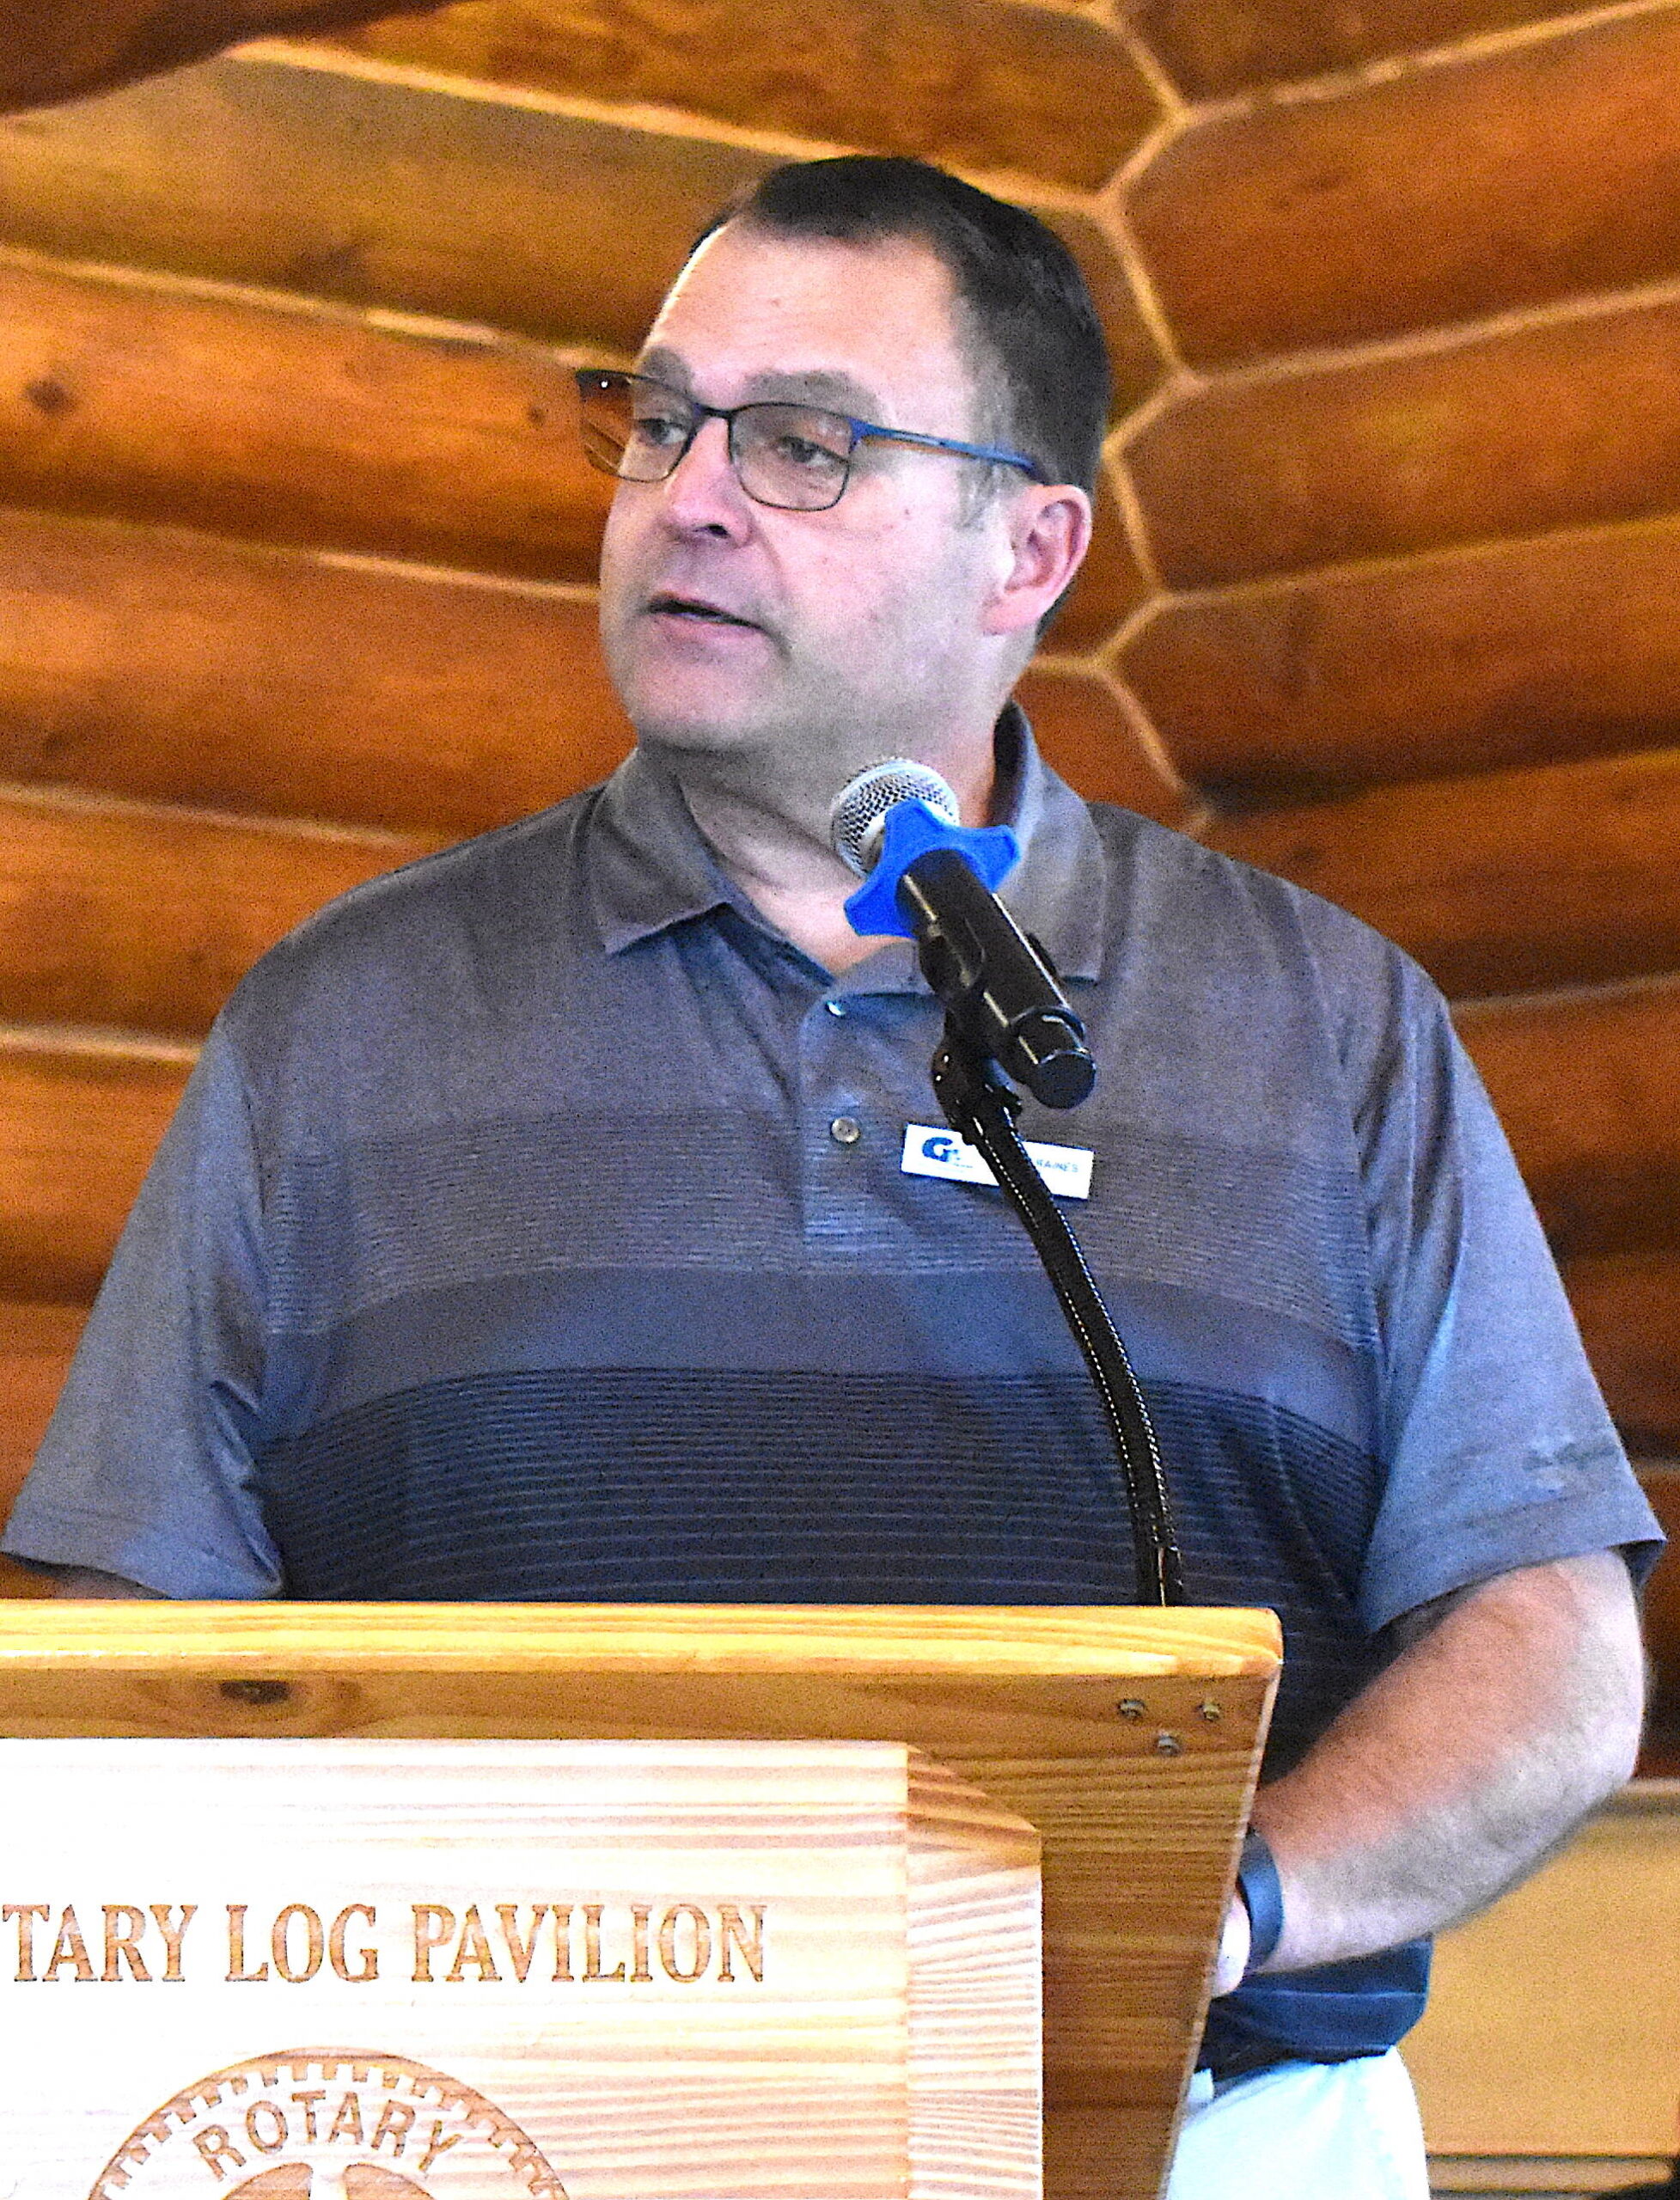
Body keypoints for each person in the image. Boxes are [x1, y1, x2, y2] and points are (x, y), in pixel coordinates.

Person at [1, 156, 1659, 2196]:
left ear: (1028, 547)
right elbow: (124, 1637)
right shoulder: (338, 1024)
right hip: (513, 2137)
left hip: (1202, 2131)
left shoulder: (1326, 1023)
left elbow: (1548, 1643)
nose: (689, 495)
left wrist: (1215, 1910)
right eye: (660, 418)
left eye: (803, 443)